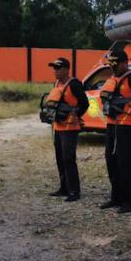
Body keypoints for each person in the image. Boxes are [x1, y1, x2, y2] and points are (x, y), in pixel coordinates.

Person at [98, 50, 131, 214]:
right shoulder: (112, 79)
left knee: (125, 163)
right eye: (111, 64)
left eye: (116, 64)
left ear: (124, 63)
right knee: (111, 160)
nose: (113, 68)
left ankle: (130, 201)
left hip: (126, 127)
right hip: (112, 125)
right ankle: (116, 197)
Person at [45, 57, 88, 202]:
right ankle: (64, 188)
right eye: (54, 68)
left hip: (70, 128)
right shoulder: (56, 83)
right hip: (57, 126)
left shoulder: (74, 84)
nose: (55, 71)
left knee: (68, 159)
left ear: (66, 69)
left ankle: (74, 191)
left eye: (58, 68)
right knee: (60, 158)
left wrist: (76, 115)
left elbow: (85, 103)